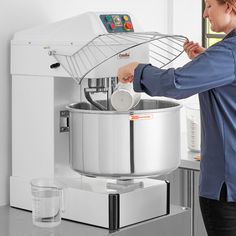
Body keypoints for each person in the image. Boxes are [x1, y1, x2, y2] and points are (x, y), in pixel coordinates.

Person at [117, 0, 236, 235]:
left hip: (227, 184)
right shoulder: (225, 54)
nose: (205, 13)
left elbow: (175, 84)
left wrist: (136, 68)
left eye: (210, 5)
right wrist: (205, 61)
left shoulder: (229, 53)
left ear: (230, 7)